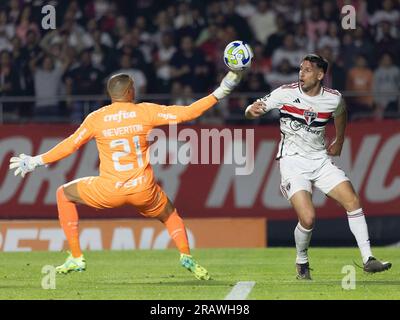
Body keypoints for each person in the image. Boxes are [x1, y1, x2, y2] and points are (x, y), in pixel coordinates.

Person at [9, 71, 242, 280]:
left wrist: (35, 161)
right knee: (170, 215)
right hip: (143, 190)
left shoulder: (96, 118)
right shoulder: (145, 112)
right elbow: (188, 113)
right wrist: (223, 90)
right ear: (130, 91)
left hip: (109, 190)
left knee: (63, 193)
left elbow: (70, 145)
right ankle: (185, 255)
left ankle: (77, 257)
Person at [244, 54, 391, 280]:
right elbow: (255, 108)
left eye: (308, 70)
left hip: (320, 160)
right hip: (292, 162)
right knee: (309, 218)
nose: (301, 73)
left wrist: (339, 140)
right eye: (300, 69)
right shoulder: (286, 93)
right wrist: (250, 110)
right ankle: (301, 261)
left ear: (321, 75)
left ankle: (368, 259)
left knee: (352, 200)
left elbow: (341, 112)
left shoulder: (333, 98)